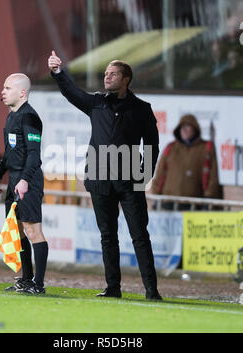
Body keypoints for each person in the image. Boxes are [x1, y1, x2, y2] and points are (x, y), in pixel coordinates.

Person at [48, 51, 162, 300]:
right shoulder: (97, 102)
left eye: (113, 74)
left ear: (126, 79)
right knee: (107, 236)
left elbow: (152, 146)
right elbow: (72, 93)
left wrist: (144, 176)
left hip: (130, 181)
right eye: (105, 74)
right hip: (100, 180)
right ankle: (113, 288)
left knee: (139, 236)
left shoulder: (142, 109)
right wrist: (58, 73)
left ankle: (151, 290)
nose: (107, 77)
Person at [0, 73, 48, 294]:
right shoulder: (11, 116)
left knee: (33, 231)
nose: (2, 92)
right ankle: (26, 279)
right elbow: (9, 152)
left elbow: (34, 155)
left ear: (22, 92)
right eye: (3, 88)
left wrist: (24, 180)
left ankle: (39, 284)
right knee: (19, 231)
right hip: (14, 179)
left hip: (29, 180)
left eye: (7, 88)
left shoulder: (30, 117)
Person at [151, 114, 221, 209]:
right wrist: (155, 197)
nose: (184, 130)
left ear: (195, 129)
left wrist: (208, 197)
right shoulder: (171, 148)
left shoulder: (206, 148)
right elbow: (159, 175)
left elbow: (213, 177)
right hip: (169, 203)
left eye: (187, 127)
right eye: (181, 127)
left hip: (194, 204)